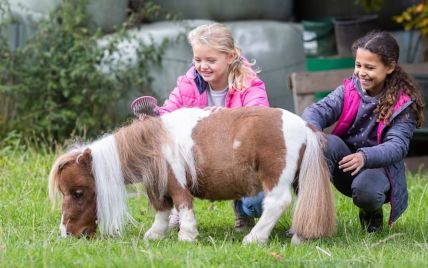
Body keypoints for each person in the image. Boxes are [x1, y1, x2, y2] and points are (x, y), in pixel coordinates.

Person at [132, 23, 270, 231]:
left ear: (230, 56)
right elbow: (170, 110)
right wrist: (155, 117)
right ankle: (179, 206)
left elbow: (260, 116)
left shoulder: (249, 83)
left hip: (239, 157)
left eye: (211, 60)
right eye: (198, 60)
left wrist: (227, 117)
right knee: (164, 150)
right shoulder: (189, 84)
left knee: (256, 204)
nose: (203, 66)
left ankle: (243, 210)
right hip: (201, 158)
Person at [301, 31, 424, 232]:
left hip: (379, 170)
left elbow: (397, 146)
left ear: (390, 67)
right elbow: (318, 110)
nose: (361, 72)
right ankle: (309, 216)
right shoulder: (350, 89)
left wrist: (364, 157)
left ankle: (371, 212)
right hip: (347, 164)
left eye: (370, 67)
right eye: (358, 65)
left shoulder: (403, 105)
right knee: (322, 142)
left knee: (366, 191)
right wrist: (311, 129)